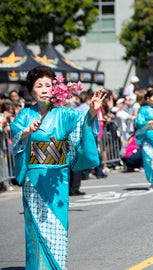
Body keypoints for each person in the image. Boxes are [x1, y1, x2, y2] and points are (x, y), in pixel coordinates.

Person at [10, 65, 105, 269]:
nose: (44, 89)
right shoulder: (25, 115)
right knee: (36, 227)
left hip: (58, 176)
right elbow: (16, 136)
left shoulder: (64, 114)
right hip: (34, 178)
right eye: (39, 85)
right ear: (31, 91)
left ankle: (57, 265)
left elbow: (83, 125)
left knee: (58, 225)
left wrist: (92, 110)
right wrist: (27, 131)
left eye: (48, 85)